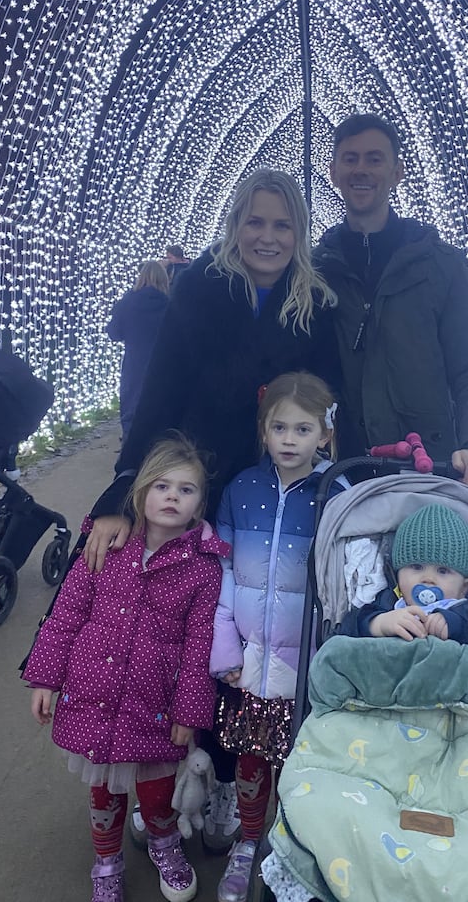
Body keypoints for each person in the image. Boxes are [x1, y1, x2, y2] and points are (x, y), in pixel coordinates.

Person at [85, 168, 339, 855]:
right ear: (234, 225)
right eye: (255, 222)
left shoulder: (313, 300)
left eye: (282, 225)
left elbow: (327, 400)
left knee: (250, 635)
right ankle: (165, 777)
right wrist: (122, 489)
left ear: (299, 233)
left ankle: (230, 778)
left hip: (268, 497)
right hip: (198, 483)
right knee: (179, 633)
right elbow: (161, 387)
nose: (267, 236)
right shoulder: (200, 287)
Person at [22, 434, 229, 902]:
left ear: (199, 505)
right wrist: (45, 678)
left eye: (186, 489)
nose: (172, 496)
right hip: (92, 692)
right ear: (139, 493)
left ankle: (164, 843)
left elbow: (200, 645)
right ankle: (107, 862)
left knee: (157, 792)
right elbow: (66, 615)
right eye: (161, 486)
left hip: (153, 702)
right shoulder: (107, 547)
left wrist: (188, 712)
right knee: (103, 791)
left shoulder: (202, 568)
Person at [208, 371, 345, 902]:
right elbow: (220, 577)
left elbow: (344, 587)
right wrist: (224, 653)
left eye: (303, 429)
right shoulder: (241, 490)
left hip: (307, 667)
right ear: (263, 431)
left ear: (324, 435)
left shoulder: (338, 494)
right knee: (249, 758)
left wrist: (327, 662)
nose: (290, 440)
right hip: (248, 661)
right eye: (279, 427)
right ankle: (247, 842)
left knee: (299, 762)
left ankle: (290, 851)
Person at [314, 112, 468, 491]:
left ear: (397, 172)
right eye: (350, 159)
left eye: (374, 158)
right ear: (334, 172)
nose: (361, 170)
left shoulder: (441, 266)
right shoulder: (315, 271)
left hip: (432, 467)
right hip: (344, 471)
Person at [340, 502, 468, 658]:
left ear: (464, 587)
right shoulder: (389, 604)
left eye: (443, 571)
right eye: (416, 567)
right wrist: (377, 624)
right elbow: (344, 632)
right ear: (397, 575)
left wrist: (460, 623)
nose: (428, 578)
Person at [106, 260, 170, 440]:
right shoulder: (170, 304)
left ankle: (129, 458)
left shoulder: (127, 302)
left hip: (134, 365)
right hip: (163, 366)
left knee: (131, 413)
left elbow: (114, 333)